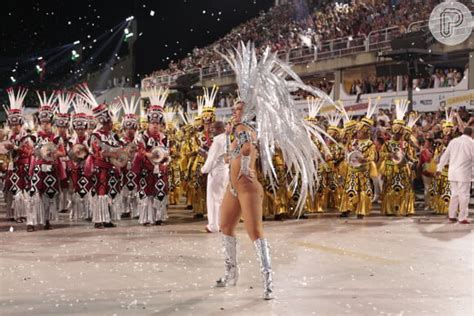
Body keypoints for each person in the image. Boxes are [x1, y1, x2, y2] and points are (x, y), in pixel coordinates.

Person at [216, 43, 329, 300]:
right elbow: (233, 152)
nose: (233, 110)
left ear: (247, 111)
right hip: (233, 187)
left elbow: (247, 147)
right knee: (224, 226)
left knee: (255, 232)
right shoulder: (233, 131)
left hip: (248, 186)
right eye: (233, 108)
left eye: (238, 108)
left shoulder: (246, 129)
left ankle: (268, 282)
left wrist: (243, 163)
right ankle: (231, 274)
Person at [437, 127, 474, 224]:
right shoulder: (471, 143)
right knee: (464, 195)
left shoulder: (453, 141)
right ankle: (462, 217)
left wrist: (439, 168)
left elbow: (445, 156)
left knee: (454, 194)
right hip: (464, 173)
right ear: (472, 133)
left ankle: (452, 216)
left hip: (452, 173)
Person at [201, 121, 229, 233]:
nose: (210, 130)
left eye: (213, 128)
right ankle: (221, 223)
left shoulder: (217, 141)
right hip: (224, 171)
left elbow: (211, 159)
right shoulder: (226, 138)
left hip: (216, 172)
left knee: (213, 200)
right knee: (221, 198)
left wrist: (203, 170)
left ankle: (213, 225)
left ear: (219, 129)